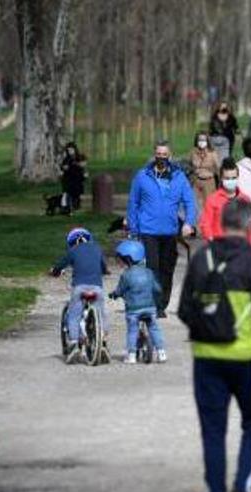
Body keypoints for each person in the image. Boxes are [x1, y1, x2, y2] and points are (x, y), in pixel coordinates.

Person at [178, 200, 251, 492]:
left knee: (212, 430)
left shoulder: (201, 257)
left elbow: (183, 309)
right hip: (245, 357)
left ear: (220, 223)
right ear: (250, 227)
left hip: (207, 357)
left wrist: (206, 329)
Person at [127, 141, 197, 318]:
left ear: (170, 155)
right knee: (152, 268)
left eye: (164, 154)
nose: (161, 157)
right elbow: (133, 203)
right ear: (154, 154)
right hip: (148, 231)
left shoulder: (179, 177)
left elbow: (190, 202)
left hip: (170, 232)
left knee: (167, 269)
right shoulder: (142, 176)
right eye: (158, 154)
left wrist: (189, 223)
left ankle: (162, 303)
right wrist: (134, 228)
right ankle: (153, 304)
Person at [50, 227, 109, 361]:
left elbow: (60, 265)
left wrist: (54, 271)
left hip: (80, 288)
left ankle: (74, 343)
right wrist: (105, 271)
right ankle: (103, 341)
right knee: (101, 312)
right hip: (96, 288)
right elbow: (104, 267)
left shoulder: (72, 251)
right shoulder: (97, 249)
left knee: (74, 315)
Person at [110, 240, 165, 364]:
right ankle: (161, 353)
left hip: (134, 310)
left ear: (128, 259)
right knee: (154, 328)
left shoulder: (126, 275)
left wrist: (114, 295)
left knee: (132, 330)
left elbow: (120, 290)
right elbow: (157, 289)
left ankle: (132, 355)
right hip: (150, 308)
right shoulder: (149, 272)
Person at [200, 159, 251, 242]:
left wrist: (250, 247)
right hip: (219, 247)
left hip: (240, 248)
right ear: (221, 178)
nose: (231, 181)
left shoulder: (245, 200)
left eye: (234, 178)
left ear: (238, 177)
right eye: (227, 178)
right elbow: (205, 224)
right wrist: (212, 241)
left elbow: (250, 228)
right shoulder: (212, 200)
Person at [188, 132, 222, 211]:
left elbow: (218, 169)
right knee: (195, 207)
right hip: (196, 182)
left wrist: (220, 184)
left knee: (208, 207)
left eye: (203, 140)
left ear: (207, 141)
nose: (201, 142)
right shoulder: (193, 153)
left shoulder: (212, 153)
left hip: (209, 183)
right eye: (199, 140)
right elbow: (189, 165)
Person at [59, 142, 87, 213]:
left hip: (77, 178)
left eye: (71, 150)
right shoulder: (67, 159)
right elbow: (63, 167)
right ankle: (68, 206)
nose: (70, 152)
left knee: (77, 193)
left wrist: (76, 164)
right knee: (68, 193)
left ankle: (76, 205)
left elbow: (83, 164)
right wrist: (64, 168)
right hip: (69, 178)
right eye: (68, 150)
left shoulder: (79, 157)